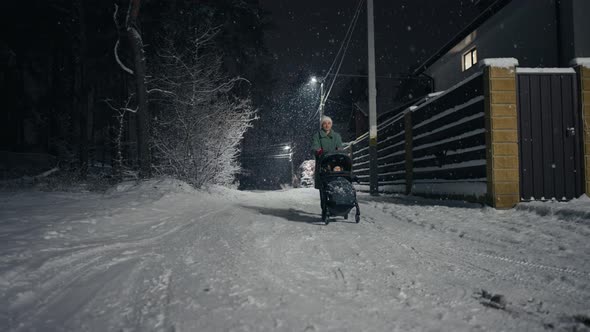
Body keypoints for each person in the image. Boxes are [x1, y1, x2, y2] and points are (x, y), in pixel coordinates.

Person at [310, 116, 343, 191]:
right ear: (322, 125)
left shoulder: (336, 136)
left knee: (336, 181)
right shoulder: (317, 136)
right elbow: (315, 146)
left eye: (329, 123)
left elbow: (339, 147)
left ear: (331, 124)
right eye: (324, 123)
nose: (327, 125)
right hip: (322, 162)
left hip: (334, 162)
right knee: (323, 186)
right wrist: (319, 151)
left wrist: (339, 151)